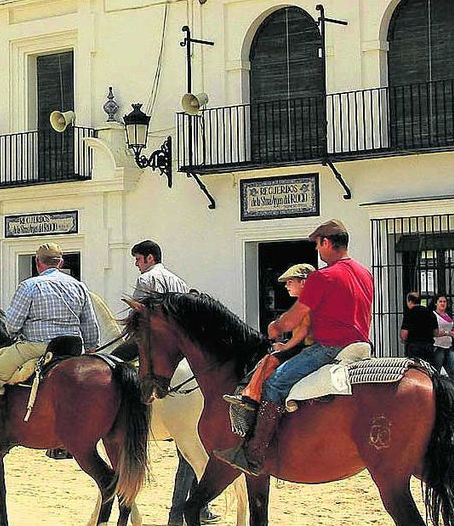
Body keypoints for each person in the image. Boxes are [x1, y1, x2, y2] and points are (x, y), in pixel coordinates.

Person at [214, 220, 373, 477]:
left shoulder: (324, 276)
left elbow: (293, 318)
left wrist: (275, 326)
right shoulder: (364, 273)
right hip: (361, 345)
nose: (318, 252)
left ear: (326, 242)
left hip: (330, 347)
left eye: (318, 245)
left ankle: (254, 453)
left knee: (275, 382)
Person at [0, 243, 99, 451]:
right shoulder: (79, 286)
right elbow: (89, 323)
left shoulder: (30, 286)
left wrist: (14, 333)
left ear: (38, 263)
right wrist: (92, 348)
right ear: (61, 263)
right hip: (72, 349)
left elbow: (12, 325)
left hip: (37, 347)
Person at [128, 240, 217, 526]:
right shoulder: (177, 280)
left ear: (149, 258)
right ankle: (197, 508)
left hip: (157, 346)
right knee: (190, 449)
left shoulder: (146, 279)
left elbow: (137, 318)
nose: (137, 264)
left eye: (138, 259)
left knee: (114, 367)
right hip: (182, 352)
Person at [227, 263, 314, 407]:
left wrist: (285, 346)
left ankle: (251, 396)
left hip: (305, 346)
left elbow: (304, 331)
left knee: (270, 360)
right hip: (302, 344)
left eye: (290, 282)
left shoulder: (305, 303)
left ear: (303, 282)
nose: (286, 286)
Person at [400, 291, 436, 363]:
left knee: (415, 369)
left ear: (409, 301)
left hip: (414, 347)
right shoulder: (430, 313)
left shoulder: (409, 314)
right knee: (428, 370)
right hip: (428, 346)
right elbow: (436, 332)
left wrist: (403, 340)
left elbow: (404, 334)